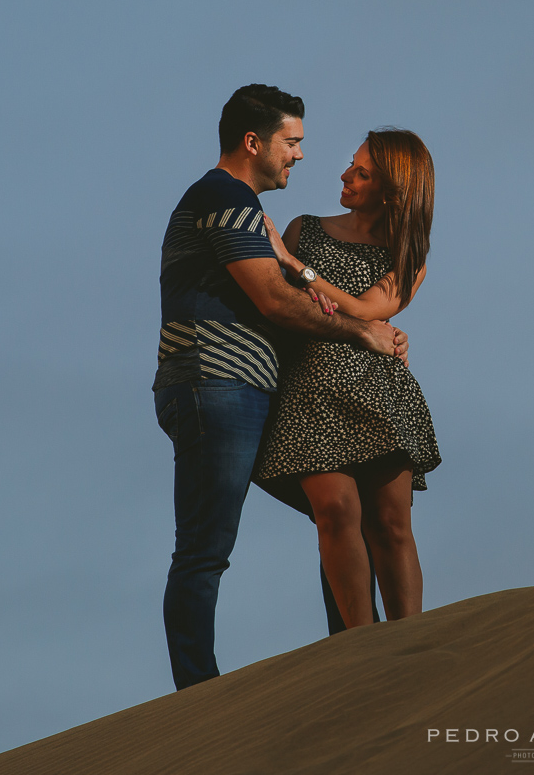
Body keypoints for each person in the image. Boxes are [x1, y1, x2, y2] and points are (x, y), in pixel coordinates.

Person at [153, 85, 407, 690]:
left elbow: (283, 288)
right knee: (205, 548)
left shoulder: (236, 205)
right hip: (216, 383)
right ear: (253, 142)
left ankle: (354, 647)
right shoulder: (223, 197)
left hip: (240, 389)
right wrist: (361, 333)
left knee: (340, 511)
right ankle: (198, 691)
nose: (298, 155)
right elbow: (272, 299)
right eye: (291, 142)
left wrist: (305, 276)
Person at [255, 128, 441, 631]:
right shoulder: (304, 228)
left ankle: (411, 642)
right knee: (335, 513)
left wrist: (297, 268)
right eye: (350, 164)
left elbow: (364, 309)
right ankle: (358, 651)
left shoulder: (408, 255)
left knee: (391, 524)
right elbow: (278, 308)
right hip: (311, 392)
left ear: (390, 189)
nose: (344, 175)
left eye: (361, 173)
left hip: (378, 395)